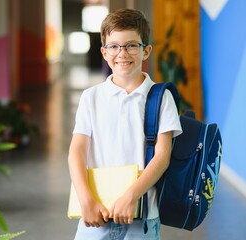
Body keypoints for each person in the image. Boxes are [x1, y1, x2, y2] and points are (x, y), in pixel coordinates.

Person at [67, 8, 182, 240]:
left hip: (141, 215)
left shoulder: (160, 97)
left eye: (131, 45)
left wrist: (131, 196)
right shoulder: (91, 97)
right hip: (96, 212)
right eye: (114, 46)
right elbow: (76, 152)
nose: (122, 53)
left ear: (146, 50)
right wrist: (85, 199)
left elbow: (162, 156)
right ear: (104, 51)